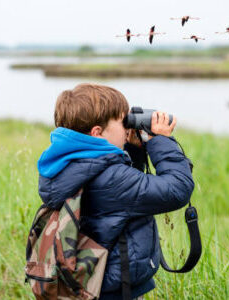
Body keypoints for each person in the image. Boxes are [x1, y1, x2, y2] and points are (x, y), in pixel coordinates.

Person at [37, 83, 194, 299]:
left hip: (92, 280)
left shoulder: (67, 165)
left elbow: (123, 198)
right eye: (123, 123)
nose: (128, 128)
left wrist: (134, 150)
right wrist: (162, 142)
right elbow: (177, 189)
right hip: (116, 288)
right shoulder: (112, 178)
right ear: (97, 133)